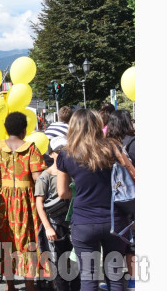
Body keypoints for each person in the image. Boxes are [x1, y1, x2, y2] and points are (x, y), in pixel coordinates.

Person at [56, 109, 131, 291]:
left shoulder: (66, 154)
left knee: (88, 280)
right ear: (98, 126)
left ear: (72, 127)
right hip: (115, 220)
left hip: (84, 221)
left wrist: (80, 191)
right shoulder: (112, 147)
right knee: (115, 278)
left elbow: (62, 192)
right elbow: (133, 176)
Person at [0, 112, 48, 291]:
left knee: (5, 239)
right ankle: (29, 286)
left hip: (3, 200)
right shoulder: (31, 148)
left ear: (5, 129)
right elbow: (38, 178)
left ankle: (10, 286)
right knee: (27, 241)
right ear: (24, 130)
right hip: (26, 200)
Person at [34, 136, 79, 291]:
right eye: (60, 152)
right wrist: (47, 227)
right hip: (54, 224)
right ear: (52, 154)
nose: (64, 154)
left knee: (75, 264)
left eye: (67, 151)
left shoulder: (75, 173)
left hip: (74, 224)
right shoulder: (45, 177)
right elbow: (39, 204)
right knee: (58, 265)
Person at [105, 109, 136, 291]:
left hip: (115, 198)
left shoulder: (109, 145)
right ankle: (133, 279)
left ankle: (123, 280)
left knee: (122, 240)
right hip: (131, 196)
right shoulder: (132, 143)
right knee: (133, 240)